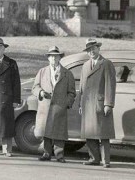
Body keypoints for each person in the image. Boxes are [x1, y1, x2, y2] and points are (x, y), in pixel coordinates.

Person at [32, 46, 76, 163]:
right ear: (48, 58)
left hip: (59, 108)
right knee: (46, 131)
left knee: (59, 132)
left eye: (55, 56)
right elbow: (35, 87)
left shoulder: (67, 74)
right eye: (51, 56)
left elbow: (72, 92)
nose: (53, 58)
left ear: (59, 58)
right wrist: (40, 92)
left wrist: (66, 103)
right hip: (45, 107)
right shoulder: (42, 72)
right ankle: (46, 154)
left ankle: (59, 155)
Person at [79, 38, 116, 168]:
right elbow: (82, 87)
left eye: (93, 48)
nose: (91, 52)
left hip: (100, 104)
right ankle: (94, 158)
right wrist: (80, 104)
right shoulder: (85, 66)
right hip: (87, 104)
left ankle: (106, 161)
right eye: (89, 50)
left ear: (98, 49)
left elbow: (110, 85)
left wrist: (108, 104)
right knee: (89, 132)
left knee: (103, 133)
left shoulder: (106, 63)